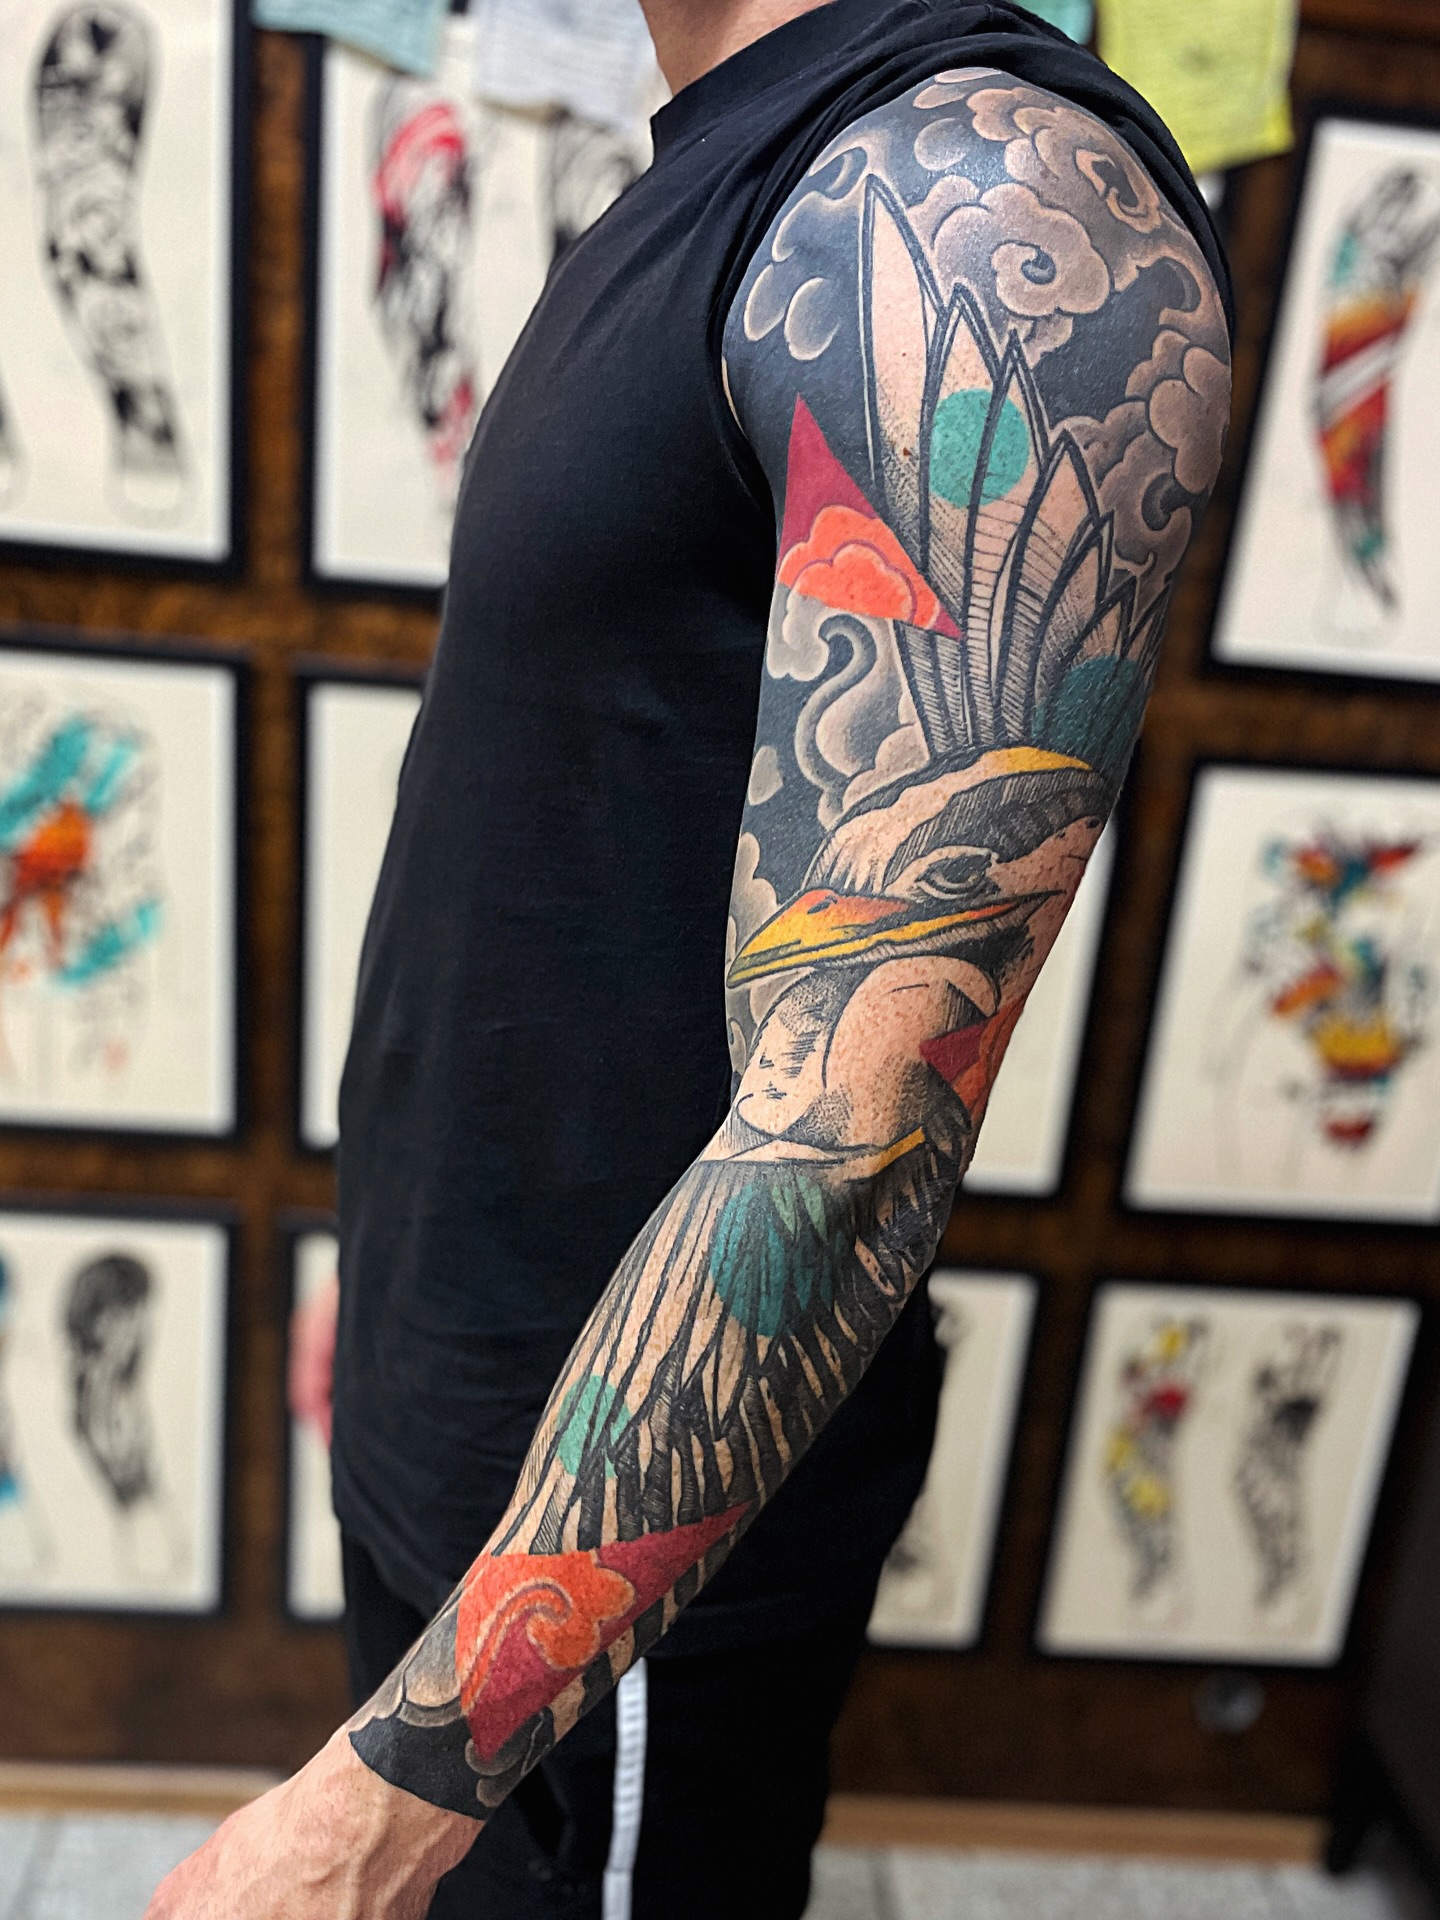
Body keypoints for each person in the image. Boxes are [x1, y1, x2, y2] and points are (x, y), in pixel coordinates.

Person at [148, 1, 1231, 1914]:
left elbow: (849, 1143)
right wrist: (391, 1270)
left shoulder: (980, 199)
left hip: (622, 1590)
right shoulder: (711, 166)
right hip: (471, 1422)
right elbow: (549, 833)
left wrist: (377, 1806)